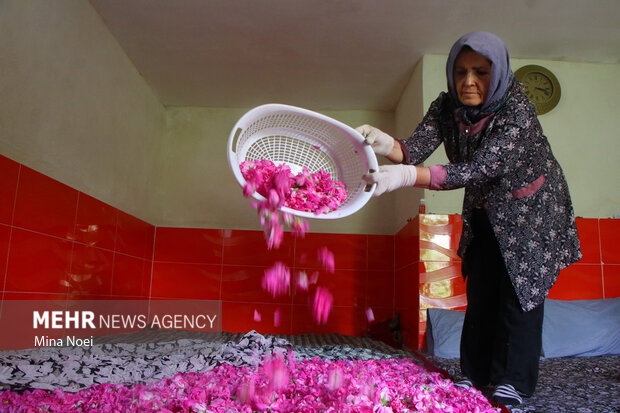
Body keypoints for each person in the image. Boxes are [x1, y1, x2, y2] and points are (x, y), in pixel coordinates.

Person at [357, 31, 581, 406]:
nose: (468, 82)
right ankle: (476, 375)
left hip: (533, 212)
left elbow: (481, 167)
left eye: (480, 72)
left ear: (499, 73)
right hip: (485, 209)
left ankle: (514, 382)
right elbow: (414, 148)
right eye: (460, 71)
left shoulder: (517, 110)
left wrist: (410, 176)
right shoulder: (447, 107)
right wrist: (386, 144)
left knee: (518, 294)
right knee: (481, 286)